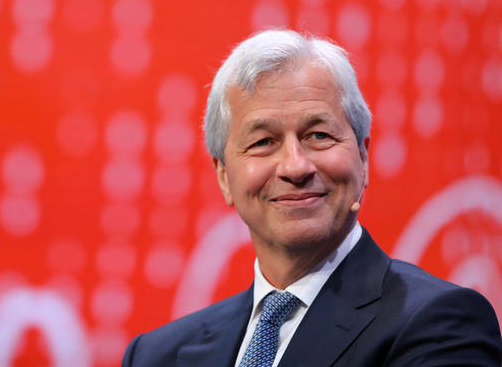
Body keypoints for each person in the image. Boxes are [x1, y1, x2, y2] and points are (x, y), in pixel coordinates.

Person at [122, 29, 502, 366]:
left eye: (318, 135)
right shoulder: (157, 354)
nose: (295, 166)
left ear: (363, 157)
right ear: (224, 175)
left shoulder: (440, 323)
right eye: (263, 142)